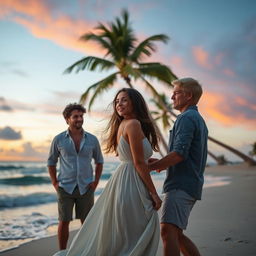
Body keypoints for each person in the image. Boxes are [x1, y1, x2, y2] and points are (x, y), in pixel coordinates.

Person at [52, 88, 162, 256]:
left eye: (124, 100)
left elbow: (135, 160)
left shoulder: (124, 124)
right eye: (117, 101)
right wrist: (154, 193)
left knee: (128, 230)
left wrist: (145, 162)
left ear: (135, 102)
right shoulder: (132, 124)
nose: (119, 104)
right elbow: (138, 162)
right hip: (130, 182)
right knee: (139, 227)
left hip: (124, 180)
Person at [149, 78, 208, 256]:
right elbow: (186, 155)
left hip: (181, 184)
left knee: (167, 231)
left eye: (176, 92)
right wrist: (161, 164)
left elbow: (180, 154)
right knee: (174, 233)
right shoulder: (196, 118)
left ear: (188, 96)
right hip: (189, 183)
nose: (172, 96)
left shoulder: (187, 117)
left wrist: (150, 167)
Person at [48, 103, 104, 251]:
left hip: (86, 187)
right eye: (75, 117)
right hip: (65, 187)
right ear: (67, 119)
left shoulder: (92, 139)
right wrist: (55, 182)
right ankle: (62, 252)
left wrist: (96, 182)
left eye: (81, 116)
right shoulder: (59, 139)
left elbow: (99, 161)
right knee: (64, 221)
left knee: (86, 222)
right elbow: (51, 162)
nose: (79, 119)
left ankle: (87, 250)